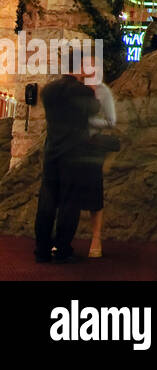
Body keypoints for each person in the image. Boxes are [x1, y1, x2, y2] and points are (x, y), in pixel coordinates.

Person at [33, 63, 97, 263]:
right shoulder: (84, 92)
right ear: (79, 68)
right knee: (70, 203)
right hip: (74, 155)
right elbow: (94, 112)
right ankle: (62, 249)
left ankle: (42, 250)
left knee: (46, 202)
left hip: (52, 152)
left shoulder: (49, 90)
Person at [82, 71, 118, 259]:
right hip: (73, 145)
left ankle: (96, 239)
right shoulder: (75, 90)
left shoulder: (103, 91)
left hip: (92, 145)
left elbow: (111, 121)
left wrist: (88, 121)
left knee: (94, 194)